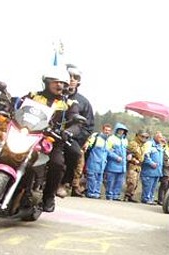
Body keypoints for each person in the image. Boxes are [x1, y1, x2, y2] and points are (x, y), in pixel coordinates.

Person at [22, 66, 82, 212]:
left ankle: (48, 196)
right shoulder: (32, 95)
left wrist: (68, 131)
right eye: (55, 81)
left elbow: (77, 123)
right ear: (47, 82)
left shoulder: (69, 103)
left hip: (52, 141)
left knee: (57, 163)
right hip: (28, 136)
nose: (59, 85)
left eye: (62, 83)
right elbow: (17, 105)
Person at [62, 64, 95, 198]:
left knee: (75, 153)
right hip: (41, 133)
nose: (71, 79)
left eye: (75, 77)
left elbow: (88, 126)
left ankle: (64, 183)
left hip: (68, 138)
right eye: (69, 76)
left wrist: (73, 136)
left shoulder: (83, 102)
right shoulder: (50, 94)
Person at [84, 123, 112, 199]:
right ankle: (91, 192)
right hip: (93, 161)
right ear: (102, 130)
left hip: (102, 164)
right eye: (106, 130)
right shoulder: (96, 137)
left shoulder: (107, 141)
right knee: (92, 177)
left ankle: (96, 193)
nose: (107, 132)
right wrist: (86, 144)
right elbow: (88, 144)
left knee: (99, 179)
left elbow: (108, 152)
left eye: (109, 130)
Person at [123, 130, 149, 202]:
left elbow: (142, 155)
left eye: (146, 137)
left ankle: (130, 196)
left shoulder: (143, 146)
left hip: (139, 166)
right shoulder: (133, 143)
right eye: (142, 136)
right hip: (132, 164)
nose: (144, 138)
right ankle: (126, 196)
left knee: (136, 182)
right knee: (131, 181)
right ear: (137, 135)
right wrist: (134, 159)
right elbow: (129, 153)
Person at [105, 123, 129, 201]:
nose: (121, 132)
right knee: (110, 181)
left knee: (120, 181)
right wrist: (116, 157)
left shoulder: (125, 140)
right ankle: (109, 195)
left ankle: (116, 195)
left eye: (123, 130)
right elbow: (107, 150)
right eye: (120, 130)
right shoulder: (111, 139)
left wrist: (129, 155)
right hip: (113, 164)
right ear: (116, 130)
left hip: (123, 165)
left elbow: (127, 151)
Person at [140, 131, 165, 205]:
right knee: (148, 186)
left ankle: (150, 198)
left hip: (157, 171)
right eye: (159, 137)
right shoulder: (149, 144)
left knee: (153, 187)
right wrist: (151, 163)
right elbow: (145, 155)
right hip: (149, 170)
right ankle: (146, 198)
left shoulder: (160, 146)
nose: (161, 139)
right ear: (155, 137)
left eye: (161, 137)